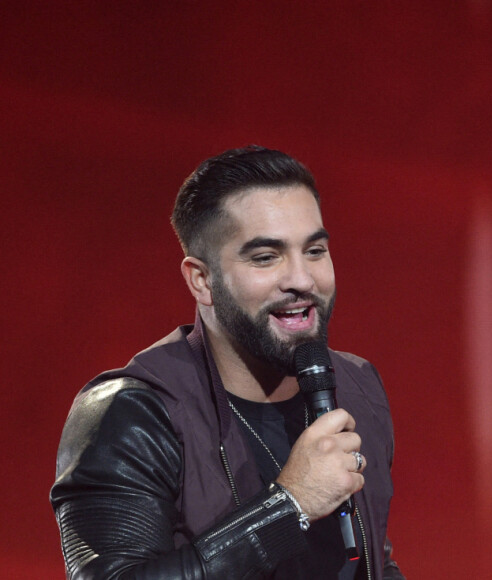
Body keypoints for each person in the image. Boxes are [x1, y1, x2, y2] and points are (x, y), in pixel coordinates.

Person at [50, 146, 405, 579]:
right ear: (202, 280)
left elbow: (371, 563)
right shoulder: (130, 413)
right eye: (265, 257)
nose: (302, 280)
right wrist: (286, 506)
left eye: (314, 250)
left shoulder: (358, 387)